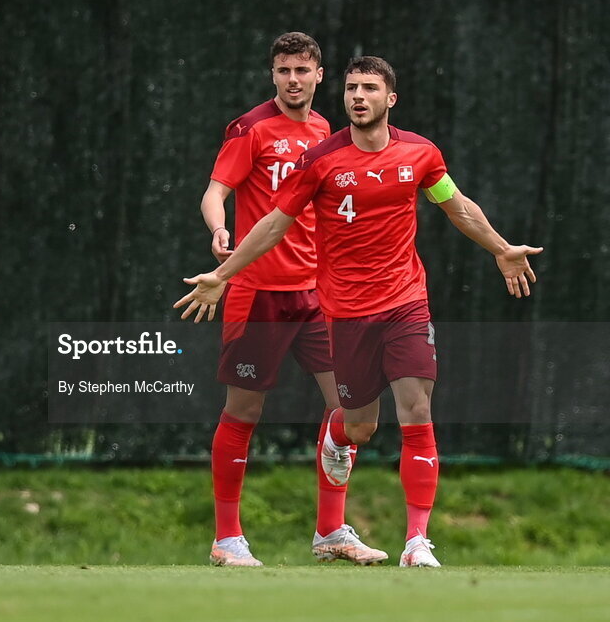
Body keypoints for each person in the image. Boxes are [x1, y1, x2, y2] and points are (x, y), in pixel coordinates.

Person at [176, 56, 542, 567]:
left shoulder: (420, 155)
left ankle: (415, 542)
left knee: (416, 408)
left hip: (406, 303)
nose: (358, 96)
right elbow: (274, 223)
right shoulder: (320, 158)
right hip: (340, 311)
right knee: (357, 426)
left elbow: (455, 204)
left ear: (390, 99)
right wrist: (223, 273)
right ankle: (232, 533)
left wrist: (501, 248)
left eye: (370, 88)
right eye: (352, 88)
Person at [201, 32, 385, 567]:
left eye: (302, 71)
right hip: (258, 292)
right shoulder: (251, 128)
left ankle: (330, 532)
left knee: (350, 412)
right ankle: (227, 539)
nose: (293, 80)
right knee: (243, 410)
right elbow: (216, 191)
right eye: (284, 71)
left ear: (319, 75)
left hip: (319, 294)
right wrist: (219, 231)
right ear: (273, 74)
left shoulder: (329, 131)